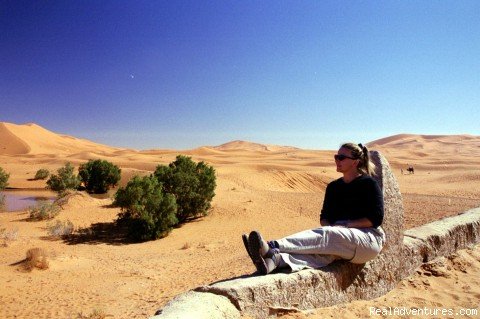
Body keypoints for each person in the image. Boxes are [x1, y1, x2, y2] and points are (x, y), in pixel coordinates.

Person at [242, 143, 385, 275]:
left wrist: (344, 226)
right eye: (336, 157)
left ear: (355, 162)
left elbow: (375, 218)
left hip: (368, 239)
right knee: (321, 253)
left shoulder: (368, 184)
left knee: (331, 234)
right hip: (340, 240)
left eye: (341, 157)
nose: (337, 160)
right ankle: (275, 261)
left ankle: (272, 246)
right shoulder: (334, 187)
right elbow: (324, 217)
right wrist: (334, 227)